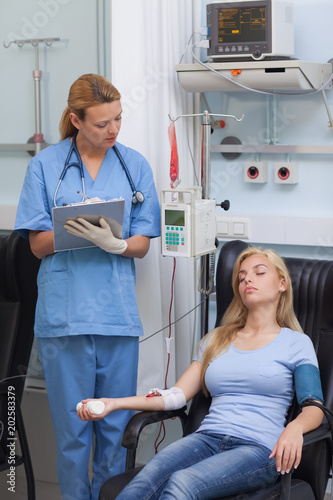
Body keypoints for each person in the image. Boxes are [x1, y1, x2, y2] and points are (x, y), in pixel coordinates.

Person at [77, 246, 324, 500]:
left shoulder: (296, 343)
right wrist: (112, 403)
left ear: (282, 284)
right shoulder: (217, 339)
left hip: (258, 449)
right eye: (241, 277)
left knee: (183, 483)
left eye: (259, 272)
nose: (248, 279)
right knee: (144, 482)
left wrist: (294, 429)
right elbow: (175, 396)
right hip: (206, 439)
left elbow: (314, 406)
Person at [15, 73, 161, 500]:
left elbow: (142, 246)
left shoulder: (133, 166)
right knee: (75, 433)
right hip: (66, 320)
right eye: (102, 123)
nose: (113, 130)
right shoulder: (45, 166)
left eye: (118, 119)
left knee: (115, 431)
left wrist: (113, 242)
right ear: (77, 121)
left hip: (117, 318)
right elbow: (38, 246)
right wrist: (76, 230)